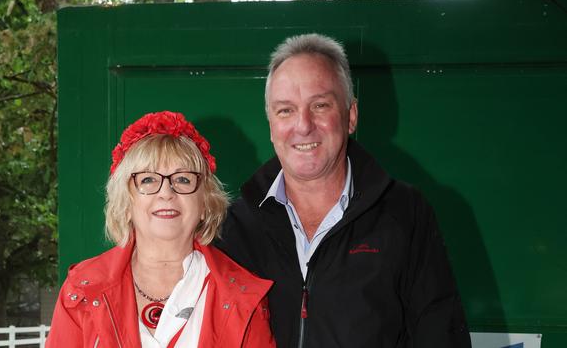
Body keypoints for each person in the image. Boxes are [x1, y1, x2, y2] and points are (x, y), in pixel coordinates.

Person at [217, 34, 471, 348]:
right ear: (270, 125)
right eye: (285, 111)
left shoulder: (406, 213)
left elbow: (440, 336)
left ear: (351, 116)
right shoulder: (233, 227)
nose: (303, 125)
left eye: (320, 105)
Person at [47, 111, 275, 348]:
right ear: (125, 203)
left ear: (206, 203)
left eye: (183, 179)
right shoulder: (82, 289)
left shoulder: (244, 297)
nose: (166, 192)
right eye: (147, 180)